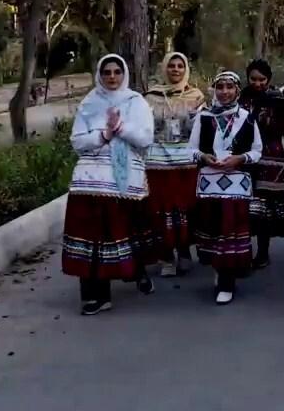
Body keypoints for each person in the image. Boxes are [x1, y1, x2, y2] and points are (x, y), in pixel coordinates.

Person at [62, 54, 156, 316]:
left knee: (125, 233)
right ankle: (95, 295)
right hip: (90, 181)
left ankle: (136, 271)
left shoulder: (136, 103)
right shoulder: (89, 103)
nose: (112, 77)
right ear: (99, 75)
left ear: (124, 74)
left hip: (125, 183)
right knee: (91, 239)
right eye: (107, 72)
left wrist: (121, 128)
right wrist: (103, 134)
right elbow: (77, 141)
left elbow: (145, 139)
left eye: (116, 72)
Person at [189, 71, 263, 305]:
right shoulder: (204, 117)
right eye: (220, 87)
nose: (224, 92)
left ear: (237, 90)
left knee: (230, 232)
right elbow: (190, 149)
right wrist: (204, 156)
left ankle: (226, 281)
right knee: (213, 230)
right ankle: (220, 271)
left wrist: (240, 159)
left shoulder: (247, 118)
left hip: (235, 185)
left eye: (229, 87)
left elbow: (257, 150)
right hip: (210, 183)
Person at [143, 52, 206, 278]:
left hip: (186, 163)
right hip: (157, 162)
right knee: (161, 211)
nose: (176, 70)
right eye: (172, 66)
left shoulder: (196, 96)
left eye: (180, 66)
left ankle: (184, 251)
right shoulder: (151, 96)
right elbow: (144, 128)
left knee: (185, 209)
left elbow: (202, 128)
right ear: (164, 69)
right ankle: (166, 256)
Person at [240, 59, 284, 270]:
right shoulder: (240, 97)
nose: (258, 83)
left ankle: (263, 252)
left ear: (269, 79)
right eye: (253, 79)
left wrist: (265, 118)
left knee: (264, 210)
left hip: (270, 157)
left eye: (262, 79)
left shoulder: (276, 98)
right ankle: (242, 251)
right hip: (244, 158)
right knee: (245, 208)